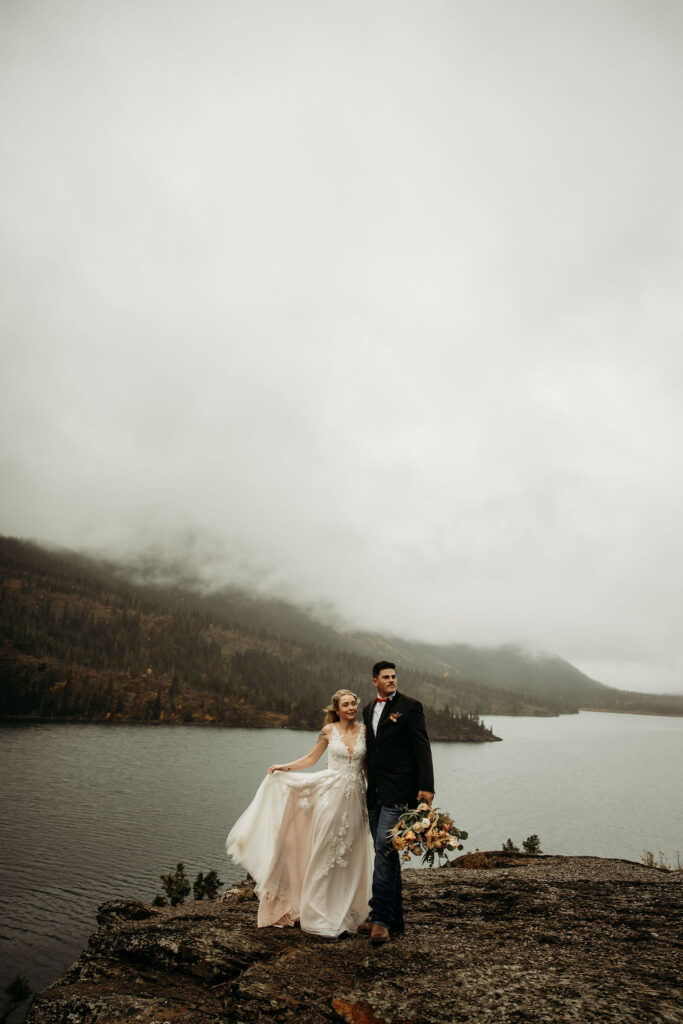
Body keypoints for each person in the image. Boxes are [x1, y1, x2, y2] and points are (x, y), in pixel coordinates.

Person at [225, 689, 373, 938]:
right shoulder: (329, 731)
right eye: (346, 704)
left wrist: (374, 794)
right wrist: (285, 767)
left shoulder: (366, 732)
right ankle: (318, 909)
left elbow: (367, 767)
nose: (351, 708)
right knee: (326, 850)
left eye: (353, 704)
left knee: (351, 851)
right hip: (331, 795)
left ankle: (346, 907)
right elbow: (311, 759)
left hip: (356, 797)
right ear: (336, 709)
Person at [361, 660, 435, 945]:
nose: (392, 680)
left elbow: (422, 748)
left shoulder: (410, 706)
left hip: (401, 792)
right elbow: (372, 750)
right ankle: (396, 917)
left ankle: (379, 920)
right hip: (375, 792)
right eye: (386, 677)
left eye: (394, 676)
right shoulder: (368, 708)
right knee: (389, 856)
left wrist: (426, 789)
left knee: (384, 849)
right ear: (374, 681)